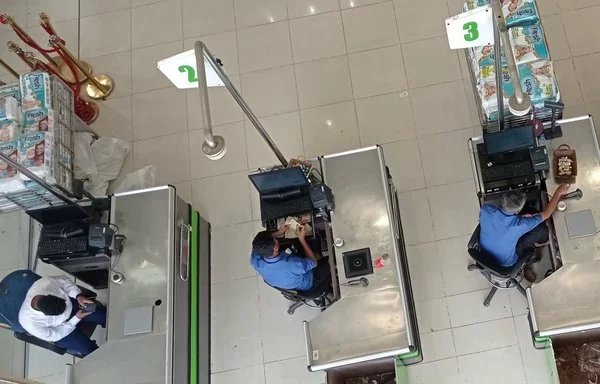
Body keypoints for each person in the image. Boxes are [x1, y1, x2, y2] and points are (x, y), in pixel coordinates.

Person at [479, 184, 570, 279]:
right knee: (541, 230)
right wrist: (558, 192)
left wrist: (519, 219)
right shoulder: (520, 225)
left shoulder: (486, 209)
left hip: (484, 253)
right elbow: (546, 214)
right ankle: (539, 244)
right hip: (504, 265)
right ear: (518, 211)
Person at [18, 275, 106, 357]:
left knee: (105, 315)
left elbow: (64, 282)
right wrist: (77, 318)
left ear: (49, 294)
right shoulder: (29, 322)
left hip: (72, 306)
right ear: (45, 315)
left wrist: (78, 296)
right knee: (89, 351)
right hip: (60, 330)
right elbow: (54, 335)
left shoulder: (45, 283)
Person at [250, 223, 331, 293]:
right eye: (274, 239)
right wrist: (302, 239)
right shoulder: (290, 264)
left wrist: (279, 232)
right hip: (310, 282)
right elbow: (313, 262)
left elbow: (258, 245)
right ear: (275, 248)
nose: (275, 237)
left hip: (289, 281)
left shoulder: (255, 260)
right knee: (325, 260)